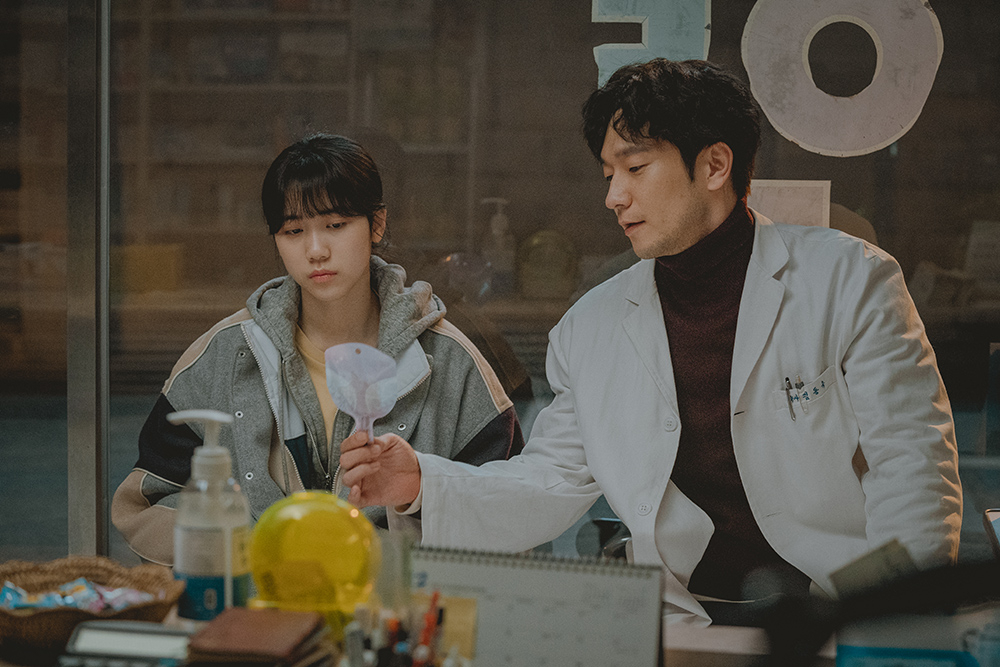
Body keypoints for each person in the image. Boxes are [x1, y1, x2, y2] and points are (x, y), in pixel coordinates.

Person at [337, 59, 963, 627]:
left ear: (714, 166)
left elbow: (911, 469)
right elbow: (550, 478)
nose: (614, 196)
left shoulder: (849, 280)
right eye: (609, 174)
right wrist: (421, 481)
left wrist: (899, 629)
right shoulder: (591, 327)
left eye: (635, 168)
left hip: (840, 617)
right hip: (683, 621)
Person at [112, 133, 524, 565]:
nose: (315, 250)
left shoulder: (453, 363)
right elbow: (146, 504)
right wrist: (251, 552)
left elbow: (509, 519)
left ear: (377, 224)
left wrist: (410, 504)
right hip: (255, 602)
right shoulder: (223, 354)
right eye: (293, 231)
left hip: (394, 605)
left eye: (335, 225)